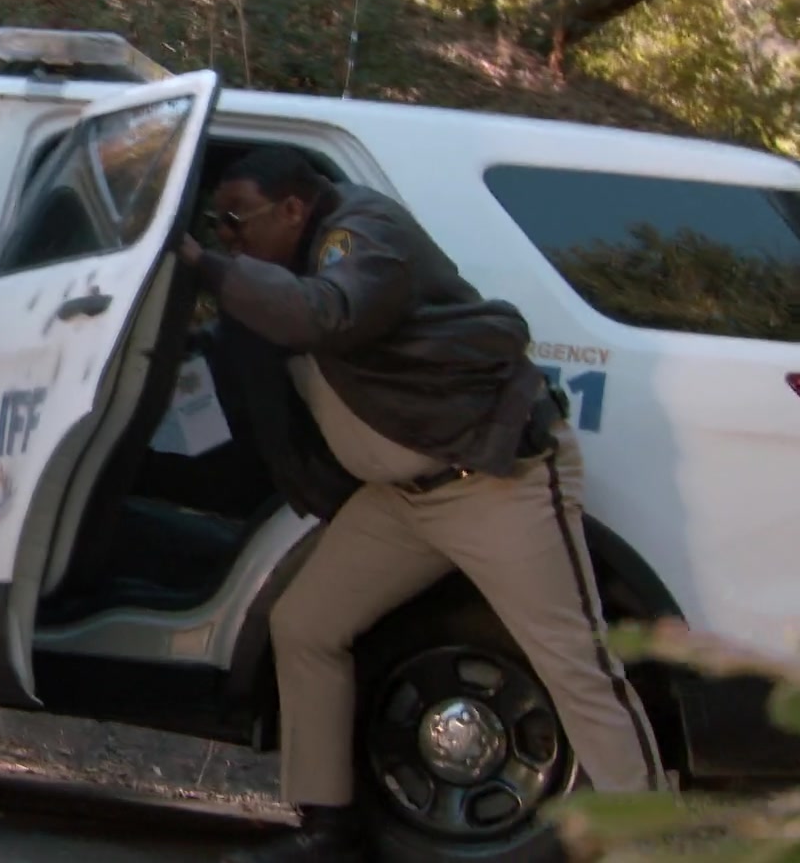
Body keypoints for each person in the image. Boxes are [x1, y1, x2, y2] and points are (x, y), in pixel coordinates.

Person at [177, 148, 668, 862]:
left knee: (574, 660)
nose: (228, 235)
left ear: (293, 209)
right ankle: (326, 828)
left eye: (235, 218)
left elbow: (329, 315)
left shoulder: (363, 234)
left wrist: (205, 265)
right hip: (400, 500)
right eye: (216, 225)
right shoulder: (288, 263)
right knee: (306, 624)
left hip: (491, 483)